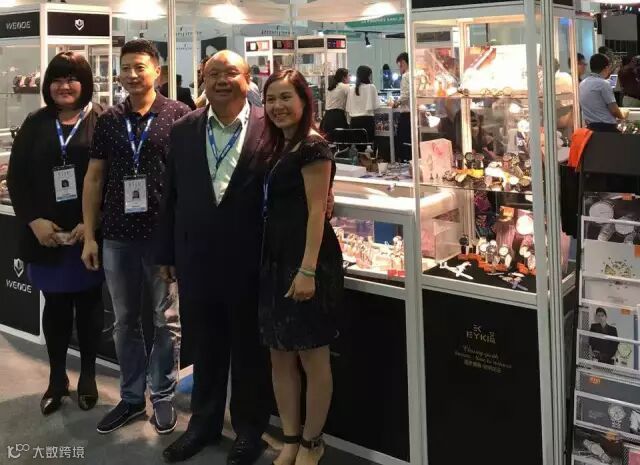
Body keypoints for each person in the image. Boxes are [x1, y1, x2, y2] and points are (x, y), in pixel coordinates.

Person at [157, 50, 272, 465]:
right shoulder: (185, 129)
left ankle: (249, 432)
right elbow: (170, 194)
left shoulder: (269, 126)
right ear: (202, 80)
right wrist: (166, 252)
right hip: (197, 257)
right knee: (205, 347)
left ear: (248, 79)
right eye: (213, 73)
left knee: (249, 350)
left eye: (231, 73)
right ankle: (202, 426)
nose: (222, 80)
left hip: (252, 258)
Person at [81, 39, 189, 435]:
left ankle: (162, 394)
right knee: (125, 321)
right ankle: (130, 397)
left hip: (163, 239)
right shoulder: (109, 119)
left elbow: (188, 182)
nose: (131, 74)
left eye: (139, 66)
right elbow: (94, 178)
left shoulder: (179, 115)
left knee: (166, 320)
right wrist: (90, 236)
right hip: (118, 237)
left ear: (157, 71)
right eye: (125, 67)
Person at [7, 51, 105, 416]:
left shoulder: (102, 120)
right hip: (46, 237)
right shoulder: (36, 122)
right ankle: (57, 377)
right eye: (58, 79)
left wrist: (91, 224)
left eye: (72, 78)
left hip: (87, 236)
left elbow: (112, 179)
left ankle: (89, 376)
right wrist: (34, 221)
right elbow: (17, 178)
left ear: (85, 83)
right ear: (47, 85)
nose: (64, 86)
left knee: (90, 307)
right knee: (56, 308)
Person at [261, 69, 343, 465]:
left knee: (312, 355)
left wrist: (308, 269)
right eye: (270, 99)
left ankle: (313, 442)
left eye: (285, 98)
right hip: (274, 257)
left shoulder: (313, 146)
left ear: (303, 101)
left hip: (306, 259)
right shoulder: (277, 145)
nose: (277, 106)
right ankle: (291, 438)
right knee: (280, 354)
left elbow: (316, 211)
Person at [579, 53, 626, 132]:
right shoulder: (603, 84)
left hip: (590, 128)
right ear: (606, 67)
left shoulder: (583, 83)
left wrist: (615, 71)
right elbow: (614, 110)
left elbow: (610, 83)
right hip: (607, 129)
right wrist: (623, 118)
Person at [346, 65, 380, 149]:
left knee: (358, 148)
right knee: (369, 147)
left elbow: (348, 108)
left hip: (354, 122)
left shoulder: (351, 89)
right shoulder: (371, 87)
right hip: (367, 121)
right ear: (367, 76)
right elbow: (376, 106)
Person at [320, 68, 349, 140]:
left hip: (327, 117)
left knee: (330, 141)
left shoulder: (331, 87)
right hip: (337, 117)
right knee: (341, 140)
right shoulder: (345, 87)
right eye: (348, 76)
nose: (349, 78)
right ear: (344, 77)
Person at [394, 52, 412, 161]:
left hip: (406, 114)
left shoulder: (405, 76)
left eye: (399, 65)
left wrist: (396, 103)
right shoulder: (415, 75)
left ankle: (405, 162)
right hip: (414, 113)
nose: (399, 68)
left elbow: (405, 95)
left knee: (403, 141)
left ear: (403, 63)